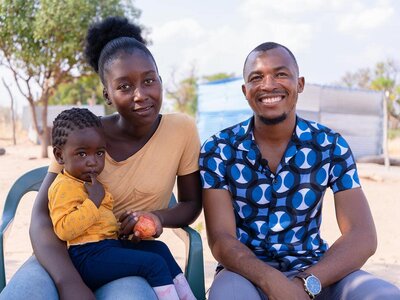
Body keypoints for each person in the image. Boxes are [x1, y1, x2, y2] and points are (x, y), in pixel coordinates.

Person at [0, 16, 202, 300]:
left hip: (126, 261)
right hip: (64, 256)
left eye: (149, 80)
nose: (141, 94)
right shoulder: (82, 133)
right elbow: (42, 216)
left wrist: (157, 218)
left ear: (160, 80)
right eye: (124, 86)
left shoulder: (181, 129)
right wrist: (67, 282)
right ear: (107, 94)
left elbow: (191, 204)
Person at [199, 42, 400, 299]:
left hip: (316, 271)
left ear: (300, 84)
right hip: (244, 274)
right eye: (256, 77)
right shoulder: (219, 148)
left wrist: (306, 283)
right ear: (245, 90)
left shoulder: (329, 145)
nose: (268, 84)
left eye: (281, 74)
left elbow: (362, 235)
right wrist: (270, 280)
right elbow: (220, 238)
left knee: (385, 295)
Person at [48, 107, 195, 300]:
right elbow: (64, 229)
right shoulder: (63, 187)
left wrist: (126, 228)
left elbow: (104, 222)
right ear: (60, 156)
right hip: (86, 256)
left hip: (108, 247)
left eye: (99, 153)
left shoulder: (92, 183)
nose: (93, 162)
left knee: (160, 250)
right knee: (152, 264)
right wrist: (93, 201)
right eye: (82, 154)